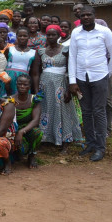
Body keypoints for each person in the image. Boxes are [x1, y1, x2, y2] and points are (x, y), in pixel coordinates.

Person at [68, 6, 112, 161]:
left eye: (88, 15)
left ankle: (100, 147)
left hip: (100, 76)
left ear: (94, 16)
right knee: (86, 111)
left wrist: (108, 74)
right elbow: (72, 57)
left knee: (99, 111)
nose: (86, 17)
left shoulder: (104, 31)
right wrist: (72, 81)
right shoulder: (76, 32)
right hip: (81, 77)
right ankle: (90, 143)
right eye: (83, 15)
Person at [35, 25, 82, 154]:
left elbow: (70, 70)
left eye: (53, 34)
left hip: (61, 85)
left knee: (63, 111)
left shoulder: (66, 50)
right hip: (45, 85)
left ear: (59, 35)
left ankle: (65, 141)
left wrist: (69, 89)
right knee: (45, 109)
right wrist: (37, 88)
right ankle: (45, 138)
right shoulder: (40, 51)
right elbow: (37, 71)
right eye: (48, 34)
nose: (50, 37)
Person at [13, 74, 43, 169]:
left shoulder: (34, 99)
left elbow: (36, 120)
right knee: (20, 150)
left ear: (29, 86)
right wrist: (17, 132)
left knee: (38, 132)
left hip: (28, 128)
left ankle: (31, 156)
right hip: (14, 128)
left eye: (25, 84)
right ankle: (16, 153)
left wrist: (22, 132)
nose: (22, 86)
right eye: (20, 84)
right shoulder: (10, 100)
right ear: (16, 85)